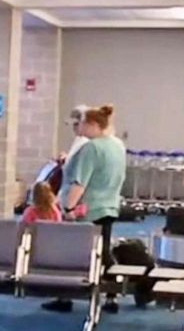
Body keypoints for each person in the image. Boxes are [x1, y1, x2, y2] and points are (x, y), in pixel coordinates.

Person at [44, 104, 126, 314]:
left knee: (72, 254)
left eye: (80, 123)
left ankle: (65, 297)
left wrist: (68, 208)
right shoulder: (117, 145)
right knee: (104, 252)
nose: (77, 127)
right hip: (108, 206)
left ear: (93, 124)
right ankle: (111, 295)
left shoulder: (92, 148)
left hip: (86, 211)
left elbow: (80, 183)